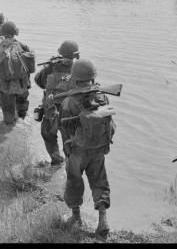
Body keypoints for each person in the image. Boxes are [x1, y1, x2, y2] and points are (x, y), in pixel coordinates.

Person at [59, 58, 115, 239]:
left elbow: (64, 131)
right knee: (100, 183)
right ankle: (103, 220)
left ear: (74, 79)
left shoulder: (68, 102)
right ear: (93, 77)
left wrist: (67, 152)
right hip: (98, 150)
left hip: (77, 151)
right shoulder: (102, 96)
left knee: (74, 182)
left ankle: (76, 217)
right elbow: (111, 126)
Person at [34, 40, 80, 165]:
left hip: (50, 110)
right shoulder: (81, 69)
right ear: (76, 55)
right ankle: (70, 166)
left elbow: (39, 81)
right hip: (70, 114)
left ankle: (56, 159)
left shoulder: (51, 66)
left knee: (48, 135)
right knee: (69, 141)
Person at [0, 21, 36, 125]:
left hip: (5, 86)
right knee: (22, 111)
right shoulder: (20, 45)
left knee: (8, 114)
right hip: (21, 84)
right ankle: (23, 125)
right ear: (14, 33)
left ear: (2, 34)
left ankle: (9, 130)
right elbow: (30, 60)